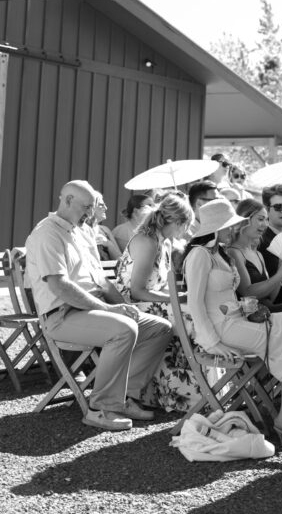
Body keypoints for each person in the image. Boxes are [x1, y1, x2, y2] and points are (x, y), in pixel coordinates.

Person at [25, 180, 172, 431]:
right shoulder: (47, 233)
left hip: (92, 310)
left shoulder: (82, 231)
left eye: (92, 208)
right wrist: (109, 310)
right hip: (61, 316)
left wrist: (126, 306)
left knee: (160, 328)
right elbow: (60, 286)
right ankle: (100, 408)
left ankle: (125, 397)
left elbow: (101, 281)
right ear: (67, 200)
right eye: (86, 207)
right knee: (123, 329)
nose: (90, 213)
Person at [185, 198, 282, 448]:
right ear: (217, 228)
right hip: (220, 330)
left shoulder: (220, 254)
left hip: (238, 320)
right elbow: (194, 303)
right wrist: (213, 342)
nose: (234, 228)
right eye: (230, 225)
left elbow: (229, 297)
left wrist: (250, 308)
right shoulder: (199, 255)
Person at [114, 192, 200, 412]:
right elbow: (137, 291)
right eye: (186, 225)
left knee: (195, 310)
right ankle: (188, 393)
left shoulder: (165, 243)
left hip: (148, 302)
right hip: (130, 304)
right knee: (191, 317)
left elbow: (159, 286)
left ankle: (179, 392)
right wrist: (175, 299)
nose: (187, 231)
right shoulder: (148, 242)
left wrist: (180, 296)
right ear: (177, 222)